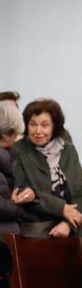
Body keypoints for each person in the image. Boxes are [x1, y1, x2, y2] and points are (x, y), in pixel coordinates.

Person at [11, 98, 82, 237]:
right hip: (36, 231)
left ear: (55, 126)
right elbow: (21, 193)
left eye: (45, 125)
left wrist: (67, 224)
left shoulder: (68, 150)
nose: (38, 131)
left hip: (71, 231)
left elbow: (81, 194)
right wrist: (61, 208)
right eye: (33, 124)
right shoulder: (18, 150)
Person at [0, 99, 28, 237]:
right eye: (16, 133)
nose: (18, 136)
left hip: (11, 232)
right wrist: (23, 206)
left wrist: (28, 194)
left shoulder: (13, 156)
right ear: (5, 134)